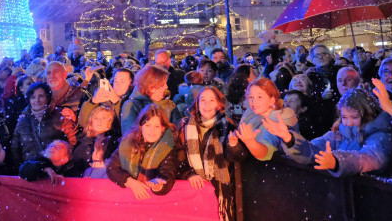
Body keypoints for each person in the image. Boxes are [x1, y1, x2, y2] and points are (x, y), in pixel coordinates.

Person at [265, 87, 392, 177]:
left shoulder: (381, 136)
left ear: (368, 114)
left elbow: (368, 159)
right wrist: (289, 139)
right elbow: (313, 149)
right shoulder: (339, 132)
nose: (348, 123)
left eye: (354, 117)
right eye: (344, 117)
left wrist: (336, 162)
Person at [178, 87, 247, 221]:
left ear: (219, 104)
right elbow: (179, 156)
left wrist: (233, 145)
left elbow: (237, 157)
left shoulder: (227, 126)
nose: (206, 105)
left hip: (219, 189)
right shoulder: (185, 126)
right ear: (197, 104)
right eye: (202, 100)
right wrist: (189, 173)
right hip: (195, 189)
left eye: (211, 100)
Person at [106, 104, 178, 199]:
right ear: (141, 126)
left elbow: (168, 171)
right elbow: (112, 168)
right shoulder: (128, 143)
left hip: (150, 201)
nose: (152, 131)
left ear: (163, 128)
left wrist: (159, 184)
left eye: (157, 126)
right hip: (126, 199)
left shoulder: (167, 147)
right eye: (148, 125)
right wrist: (130, 181)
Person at [10, 82, 77, 168]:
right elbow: (15, 147)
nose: (37, 100)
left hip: (56, 170)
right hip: (31, 172)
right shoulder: (23, 120)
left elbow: (73, 142)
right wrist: (21, 168)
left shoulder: (61, 115)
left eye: (41, 96)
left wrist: (62, 164)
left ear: (47, 97)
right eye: (33, 97)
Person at [233, 78, 297, 161]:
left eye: (260, 97)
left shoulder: (280, 118)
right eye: (251, 97)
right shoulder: (250, 114)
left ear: (272, 100)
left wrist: (250, 142)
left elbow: (266, 152)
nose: (254, 101)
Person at [120, 65, 180, 134]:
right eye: (162, 84)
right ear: (150, 86)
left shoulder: (170, 105)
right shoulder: (132, 106)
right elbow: (129, 136)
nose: (166, 87)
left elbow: (178, 132)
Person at [72, 105, 120, 178]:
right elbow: (76, 168)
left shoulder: (116, 142)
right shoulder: (82, 142)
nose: (99, 120)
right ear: (91, 122)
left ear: (111, 121)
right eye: (96, 118)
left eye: (103, 118)